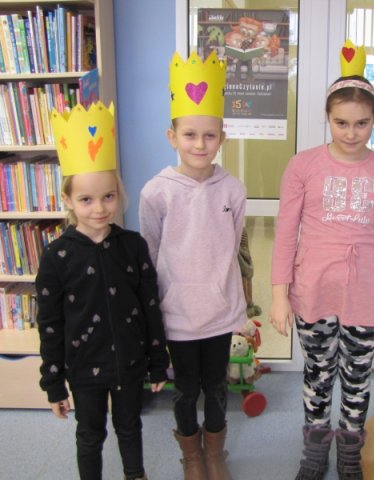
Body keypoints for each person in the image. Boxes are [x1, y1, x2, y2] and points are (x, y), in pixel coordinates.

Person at [270, 39, 374, 480]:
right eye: (341, 123)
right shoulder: (303, 166)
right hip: (313, 291)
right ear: (328, 118)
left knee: (357, 376)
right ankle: (314, 450)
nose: (351, 133)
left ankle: (350, 451)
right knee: (317, 373)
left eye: (362, 123)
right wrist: (279, 296)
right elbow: (286, 233)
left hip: (367, 295)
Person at [37, 102, 170, 480]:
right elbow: (49, 324)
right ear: (68, 200)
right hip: (83, 369)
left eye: (108, 196)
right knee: (90, 434)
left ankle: (135, 475)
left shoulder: (132, 246)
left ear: (118, 193)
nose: (99, 208)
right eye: (86, 199)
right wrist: (53, 383)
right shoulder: (56, 256)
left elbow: (150, 307)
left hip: (129, 363)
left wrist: (157, 361)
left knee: (130, 427)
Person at [139, 50, 246, 480]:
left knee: (217, 387)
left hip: (219, 312)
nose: (199, 145)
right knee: (185, 390)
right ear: (172, 136)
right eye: (189, 135)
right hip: (178, 314)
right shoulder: (156, 192)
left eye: (209, 135)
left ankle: (214, 451)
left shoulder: (233, 189)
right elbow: (150, 253)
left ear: (222, 137)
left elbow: (232, 245)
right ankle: (191, 454)